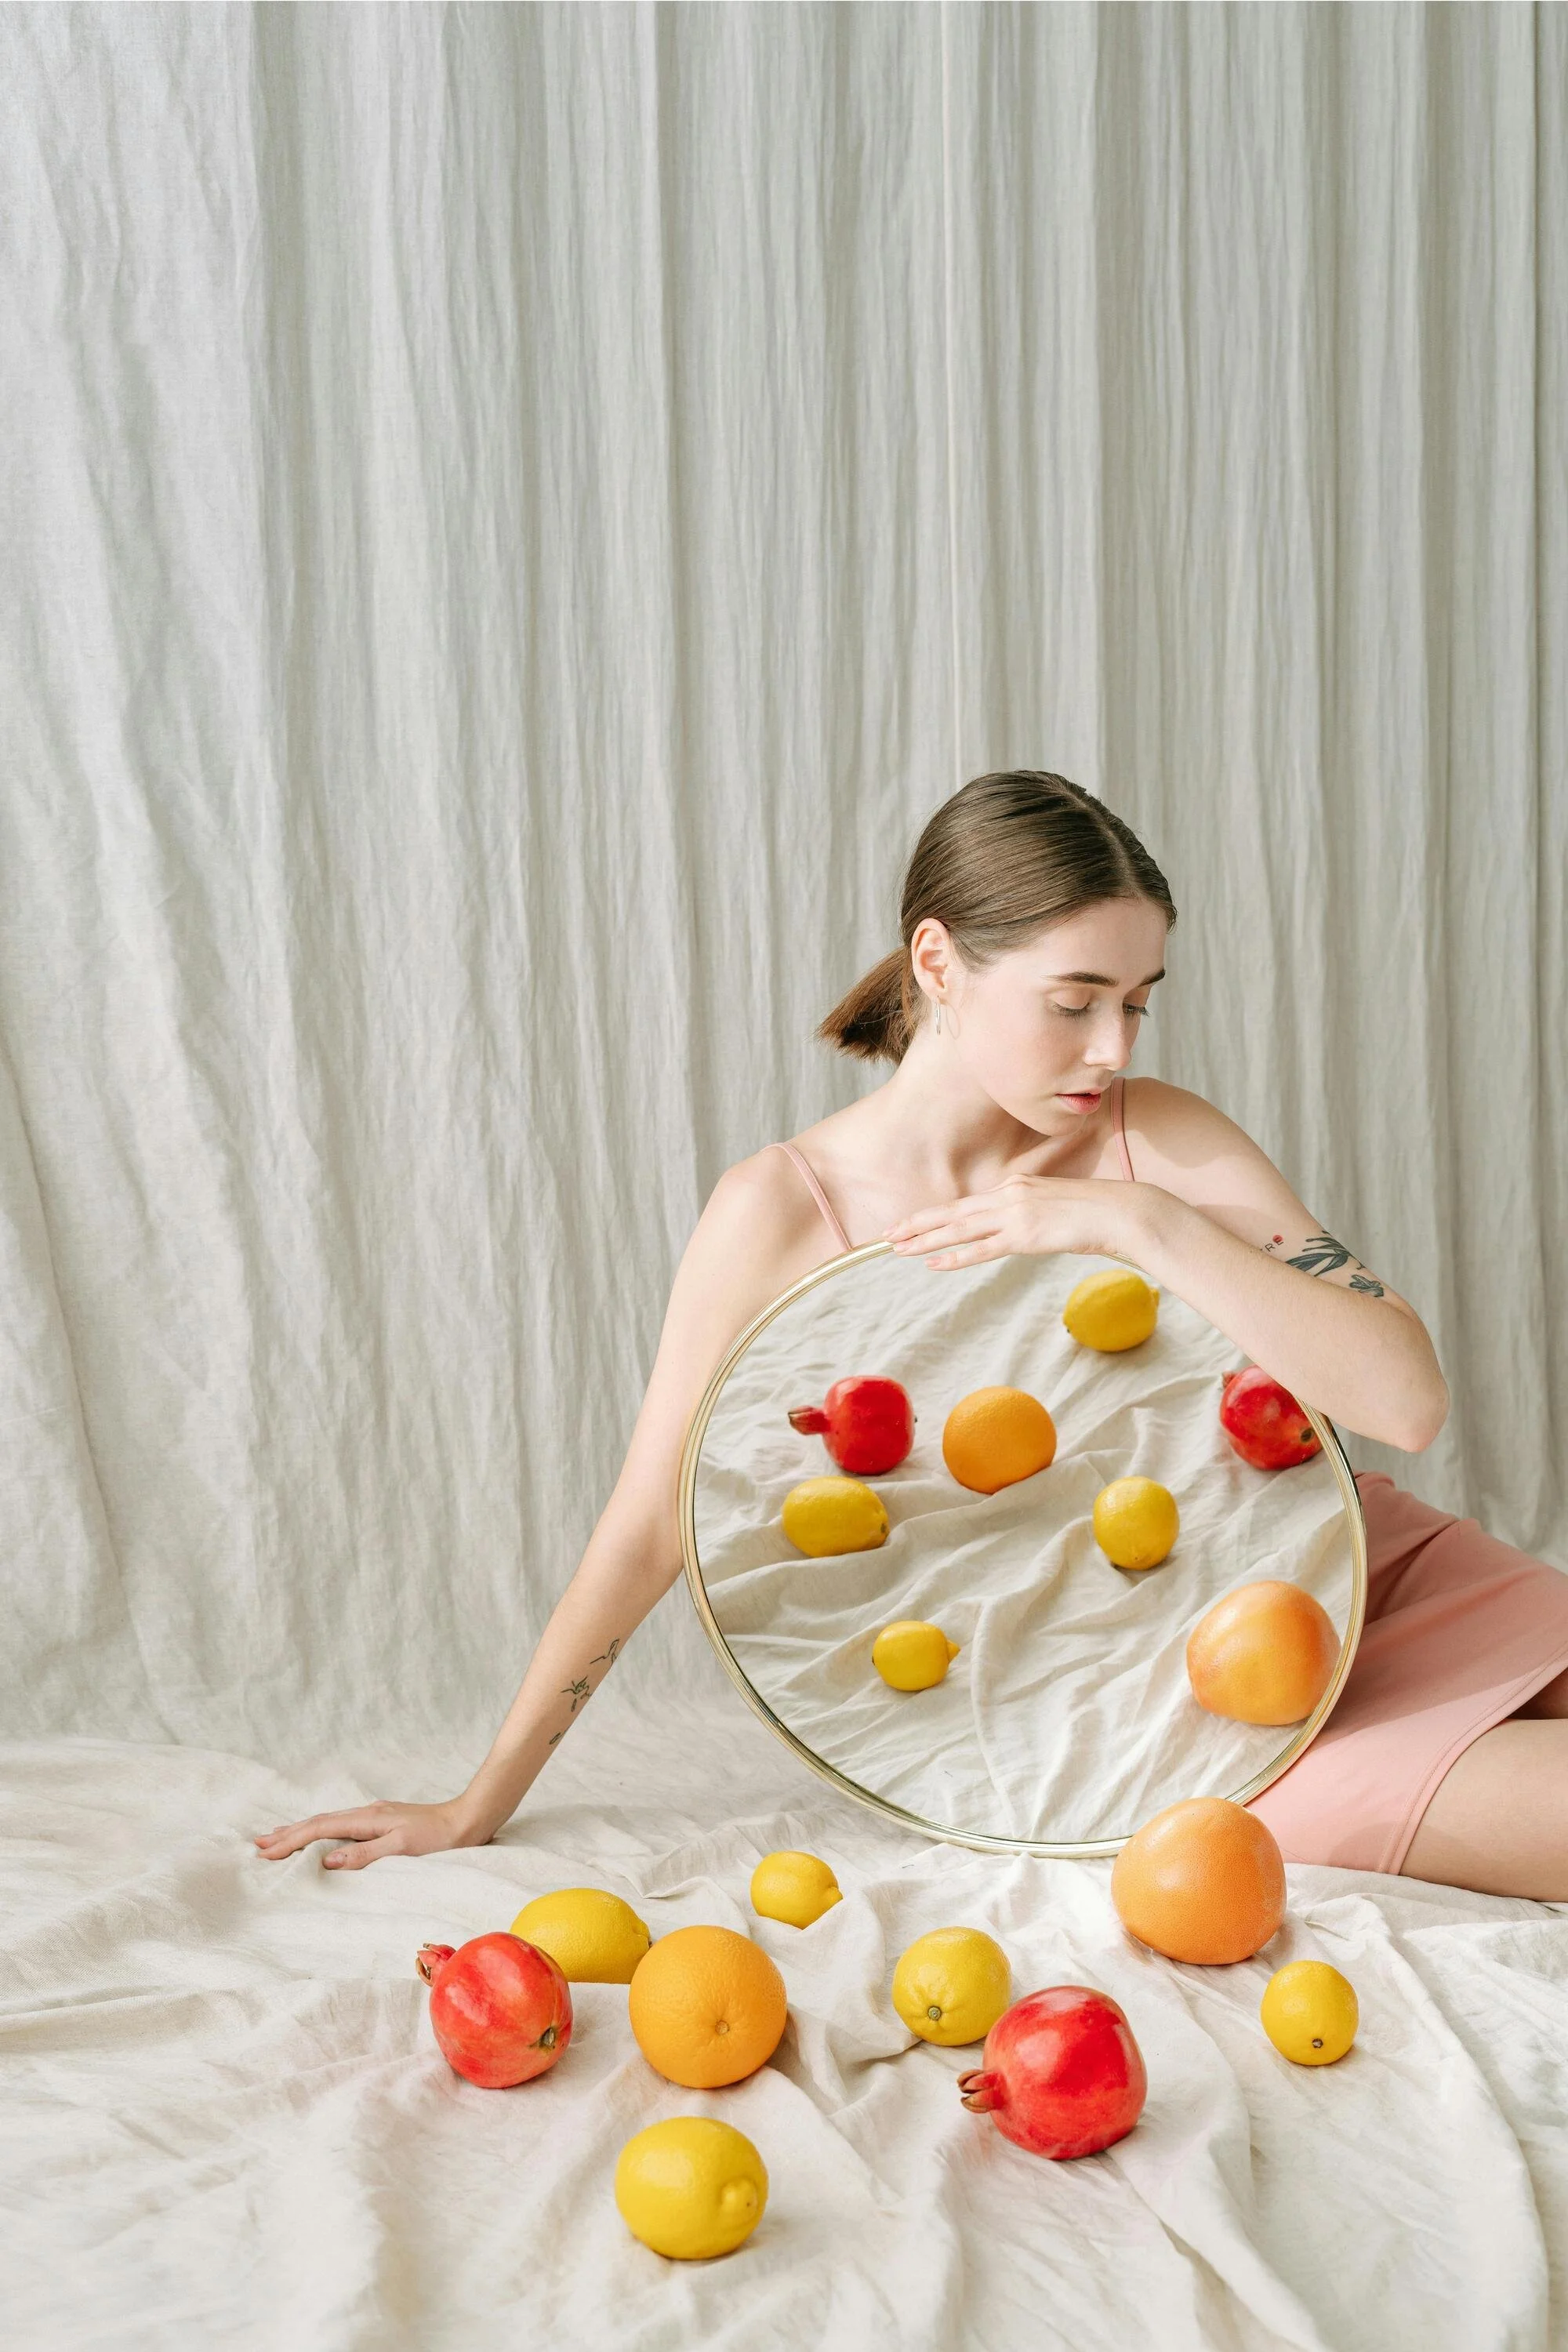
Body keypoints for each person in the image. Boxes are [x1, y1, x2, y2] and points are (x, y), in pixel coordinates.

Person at [255, 770, 1568, 1896]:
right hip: (1166, 1714)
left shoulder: (1150, 1141)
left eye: (1139, 1000)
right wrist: (480, 1798)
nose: (1112, 1048)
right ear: (938, 964)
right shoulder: (782, 1210)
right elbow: (654, 1521)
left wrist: (1139, 1222)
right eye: (1074, 1000)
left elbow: (1405, 1401)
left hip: (1347, 1569)